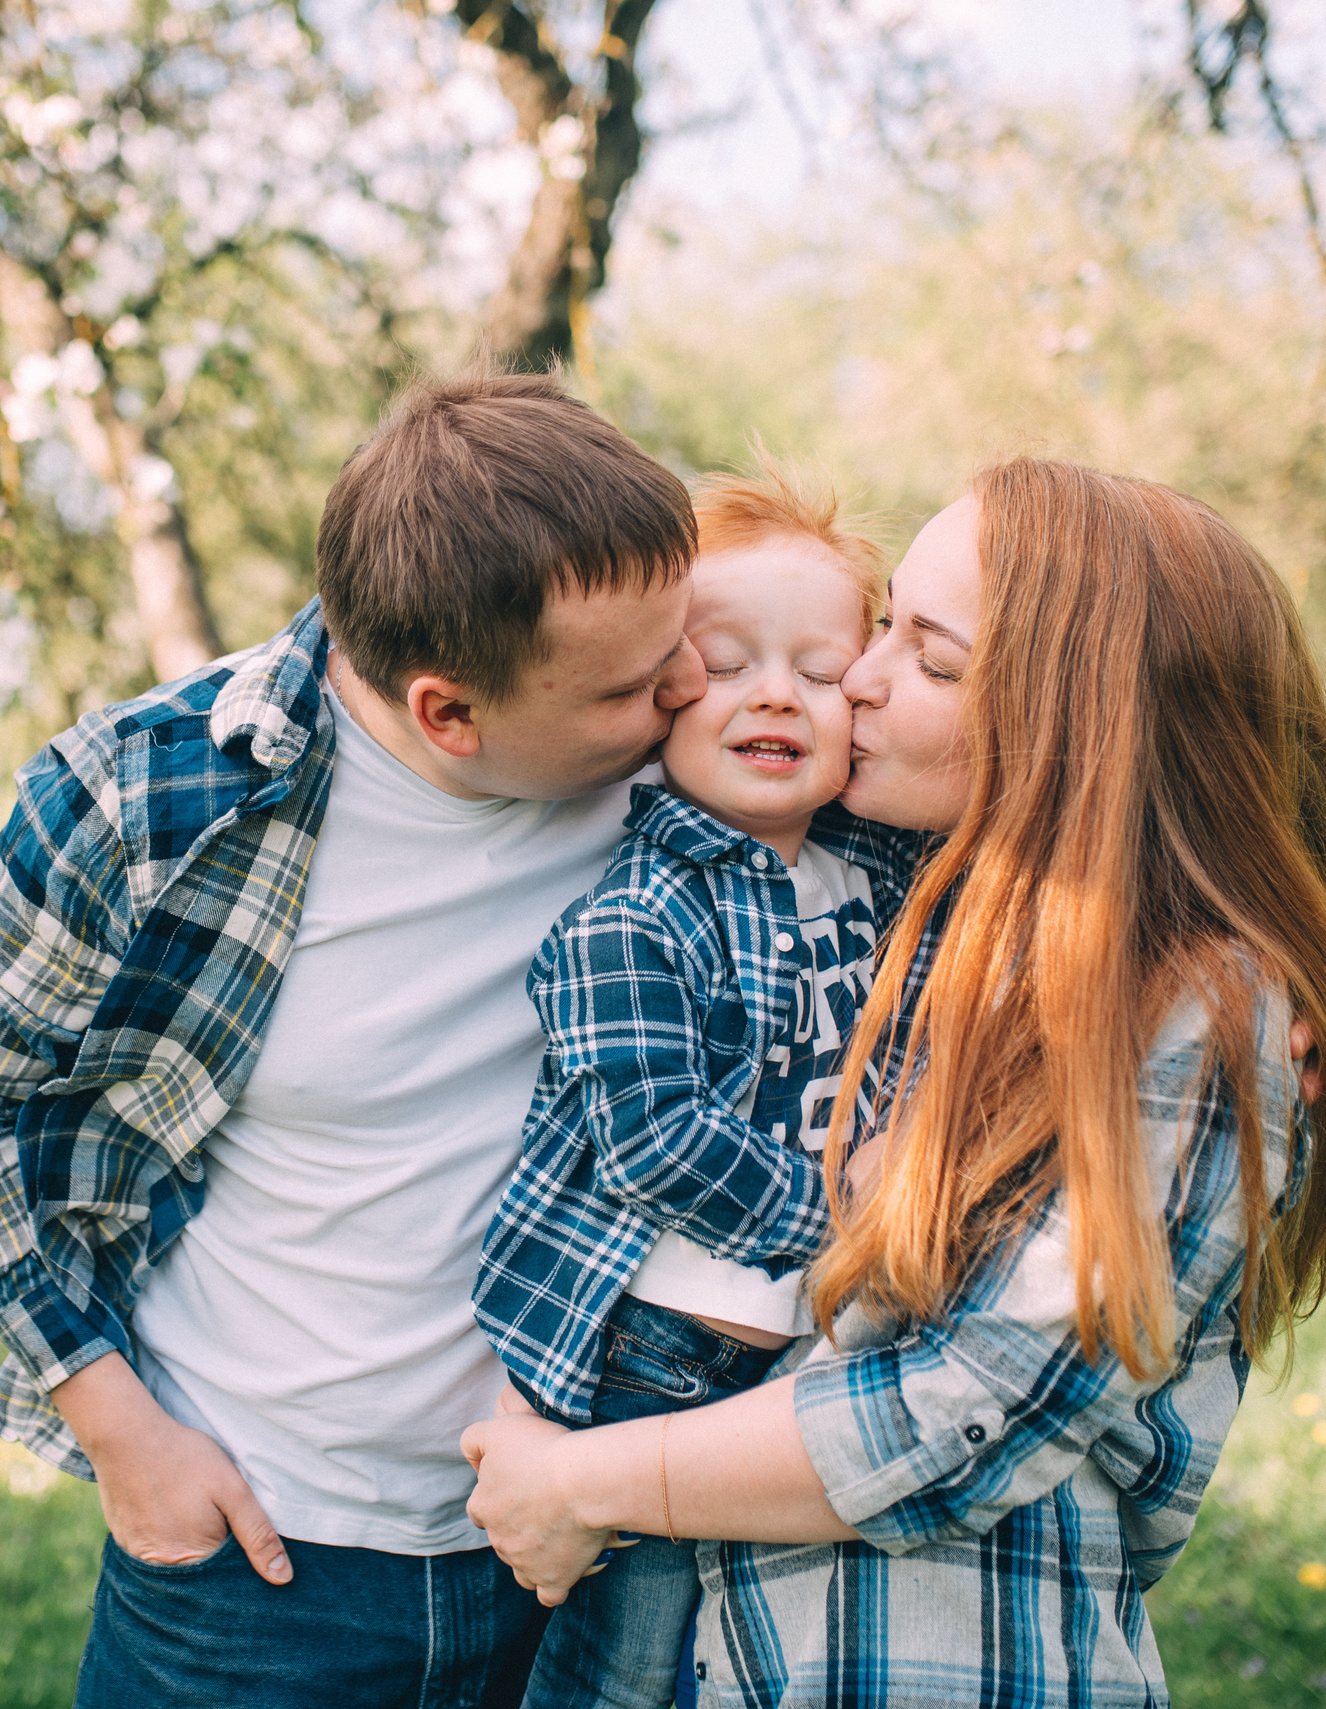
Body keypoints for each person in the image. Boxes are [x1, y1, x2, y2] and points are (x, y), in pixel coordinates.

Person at [461, 457, 1326, 1707]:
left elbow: (978, 1401)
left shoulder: (1194, 1010)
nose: (861, 676)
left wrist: (583, 1481)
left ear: (1084, 729)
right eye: (885, 620)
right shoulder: (910, 908)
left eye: (933, 661)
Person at [0, 367, 715, 1708]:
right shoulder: (150, 799)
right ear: (450, 711)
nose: (687, 690)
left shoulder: (699, 773)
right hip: (261, 1573)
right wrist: (116, 1425)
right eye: (628, 687)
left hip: (580, 1553)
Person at [473, 464, 927, 1709]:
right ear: (659, 691)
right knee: (624, 1671)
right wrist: (860, 1222)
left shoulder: (882, 876)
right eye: (722, 663)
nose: (774, 692)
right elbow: (656, 1142)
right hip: (654, 1354)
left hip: (799, 1354)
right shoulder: (638, 915)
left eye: (822, 671)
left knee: (742, 1667)